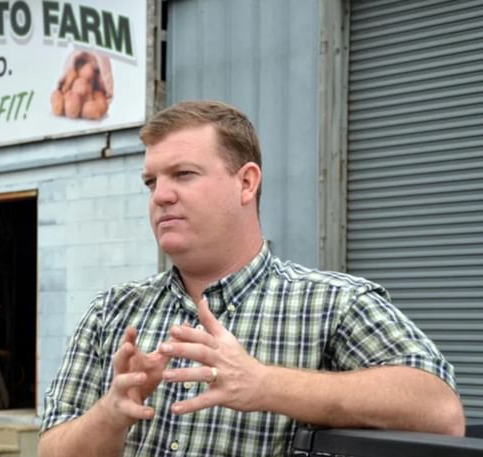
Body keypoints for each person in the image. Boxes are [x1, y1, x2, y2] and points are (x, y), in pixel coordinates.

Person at [38, 100, 465, 457]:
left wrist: (264, 383)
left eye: (184, 174)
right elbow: (51, 449)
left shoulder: (333, 304)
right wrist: (112, 413)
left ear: (246, 183)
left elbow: (440, 411)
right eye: (152, 181)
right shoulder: (112, 312)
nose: (161, 196)